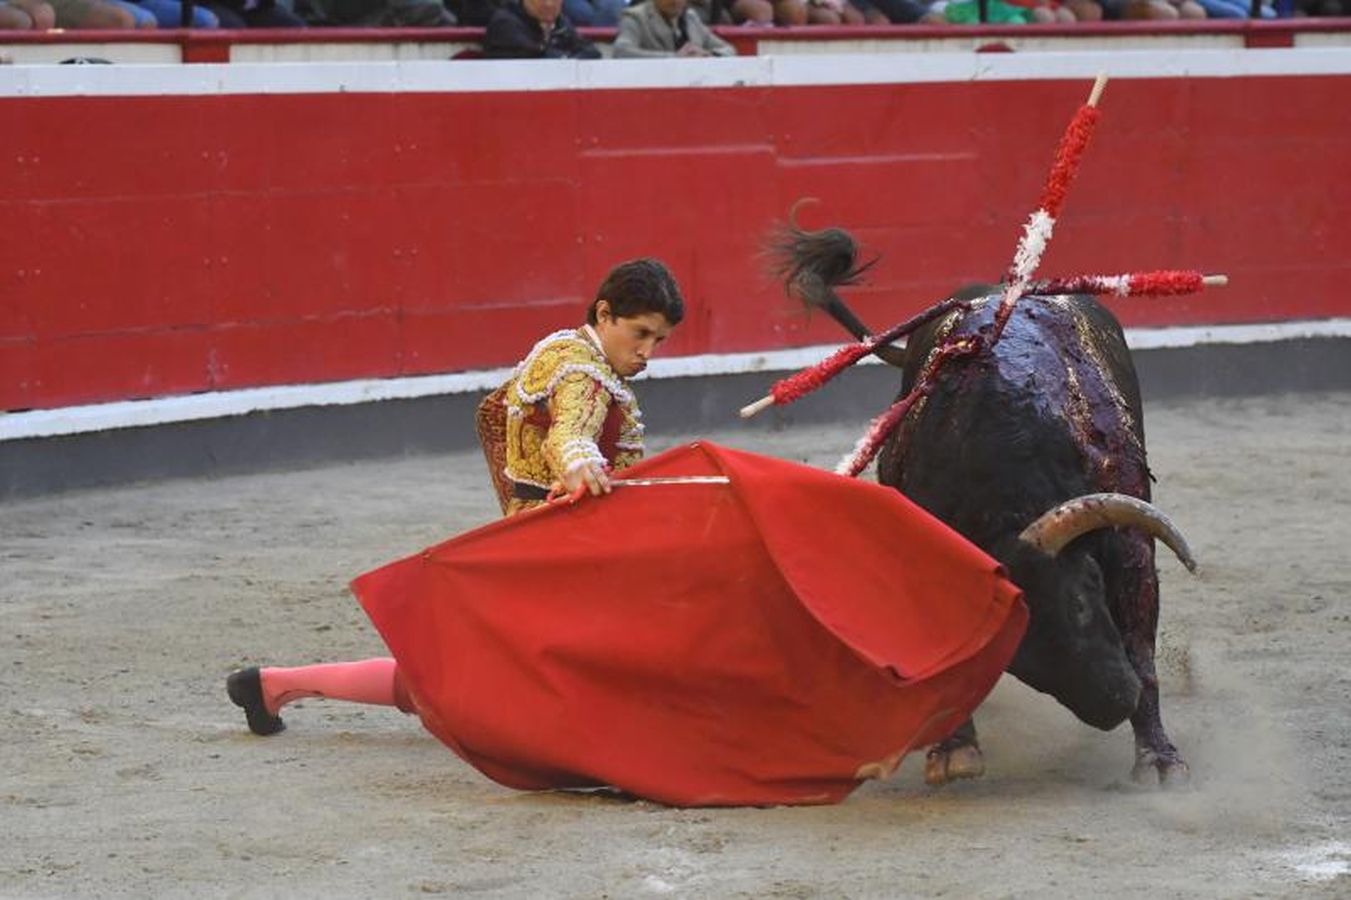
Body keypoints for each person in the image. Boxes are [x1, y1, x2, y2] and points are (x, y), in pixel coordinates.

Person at [227, 258, 685, 736]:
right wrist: (579, 465)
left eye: (659, 340)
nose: (647, 352)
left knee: (475, 672)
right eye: (640, 333)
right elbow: (570, 434)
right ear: (605, 313)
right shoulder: (582, 375)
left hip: (540, 533)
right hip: (556, 549)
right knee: (490, 672)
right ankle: (275, 685)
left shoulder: (563, 348)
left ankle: (273, 685)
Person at [613, 0, 735, 58]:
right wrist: (674, 57)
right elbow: (622, 52)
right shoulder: (635, 16)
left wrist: (707, 55)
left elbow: (729, 49)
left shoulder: (690, 17)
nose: (675, 1)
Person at [482, 0, 599, 58]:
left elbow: (591, 52)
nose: (549, 4)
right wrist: (568, 59)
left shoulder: (561, 22)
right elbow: (538, 57)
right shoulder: (505, 24)